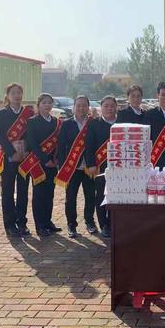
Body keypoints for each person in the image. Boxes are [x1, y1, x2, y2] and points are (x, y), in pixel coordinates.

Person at [0, 83, 33, 237]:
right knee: (8, 191)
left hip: (24, 157)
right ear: (8, 96)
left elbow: (31, 134)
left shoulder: (28, 113)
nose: (17, 96)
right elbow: (0, 136)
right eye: (13, 93)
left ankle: (22, 223)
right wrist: (12, 152)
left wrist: (27, 150)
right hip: (8, 157)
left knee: (23, 191)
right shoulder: (2, 114)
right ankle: (10, 224)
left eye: (19, 93)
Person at [56, 95, 97, 238]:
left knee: (90, 196)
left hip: (89, 167)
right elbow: (61, 147)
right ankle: (71, 225)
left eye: (84, 105)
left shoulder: (93, 123)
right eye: (78, 105)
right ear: (73, 107)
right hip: (72, 167)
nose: (81, 108)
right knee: (71, 198)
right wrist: (62, 166)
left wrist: (94, 163)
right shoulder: (66, 124)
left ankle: (90, 222)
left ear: (88, 107)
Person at [22, 93, 62, 237]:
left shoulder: (56, 122)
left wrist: (56, 159)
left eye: (49, 102)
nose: (47, 105)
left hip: (53, 163)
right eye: (44, 102)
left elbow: (59, 143)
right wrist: (45, 160)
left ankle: (47, 221)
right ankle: (40, 226)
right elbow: (32, 143)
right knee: (39, 195)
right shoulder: (32, 121)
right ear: (38, 105)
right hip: (38, 163)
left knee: (49, 194)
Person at [85, 95, 118, 238]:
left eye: (112, 106)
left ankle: (114, 222)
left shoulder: (121, 123)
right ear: (101, 107)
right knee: (101, 195)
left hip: (119, 167)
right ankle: (104, 224)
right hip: (100, 166)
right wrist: (91, 164)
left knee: (116, 195)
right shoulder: (94, 124)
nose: (109, 108)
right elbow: (89, 146)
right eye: (106, 106)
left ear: (116, 107)